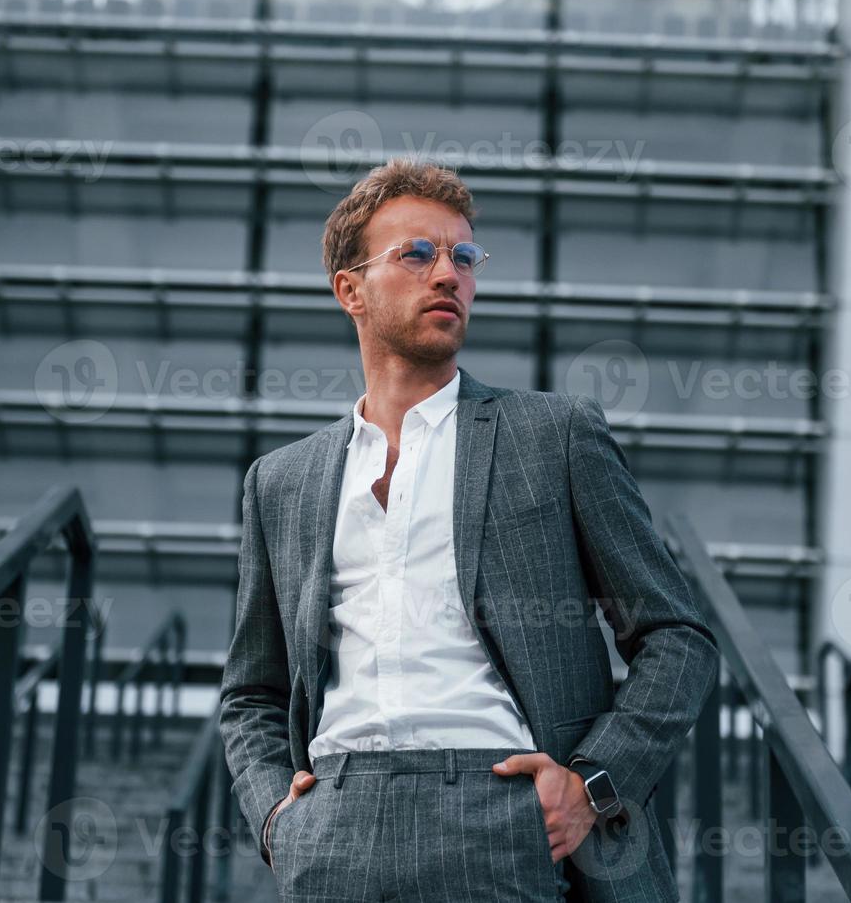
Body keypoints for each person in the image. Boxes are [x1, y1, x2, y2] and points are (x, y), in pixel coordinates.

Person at [218, 156, 719, 902]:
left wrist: (591, 785)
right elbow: (251, 692)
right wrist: (275, 818)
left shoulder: (554, 436)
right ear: (349, 289)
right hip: (332, 826)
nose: (447, 273)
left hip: (506, 812)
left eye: (463, 256)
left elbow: (678, 636)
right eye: (416, 254)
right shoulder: (282, 482)